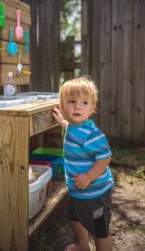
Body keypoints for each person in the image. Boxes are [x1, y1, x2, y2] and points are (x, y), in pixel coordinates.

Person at [52, 76, 114, 251]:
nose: (78, 106)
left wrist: (89, 175)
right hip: (77, 190)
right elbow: (72, 130)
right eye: (72, 101)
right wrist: (62, 122)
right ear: (63, 107)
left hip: (95, 193)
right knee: (75, 217)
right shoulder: (73, 126)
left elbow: (105, 157)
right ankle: (82, 244)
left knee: (100, 230)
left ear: (91, 109)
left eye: (84, 102)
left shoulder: (91, 134)